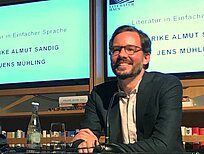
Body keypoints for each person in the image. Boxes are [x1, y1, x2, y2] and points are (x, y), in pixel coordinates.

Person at [72, 25, 184, 153]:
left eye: (130, 49)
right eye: (116, 50)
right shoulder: (99, 94)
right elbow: (83, 136)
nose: (122, 55)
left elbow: (163, 145)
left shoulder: (167, 86)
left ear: (146, 57)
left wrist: (105, 149)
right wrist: (82, 143)